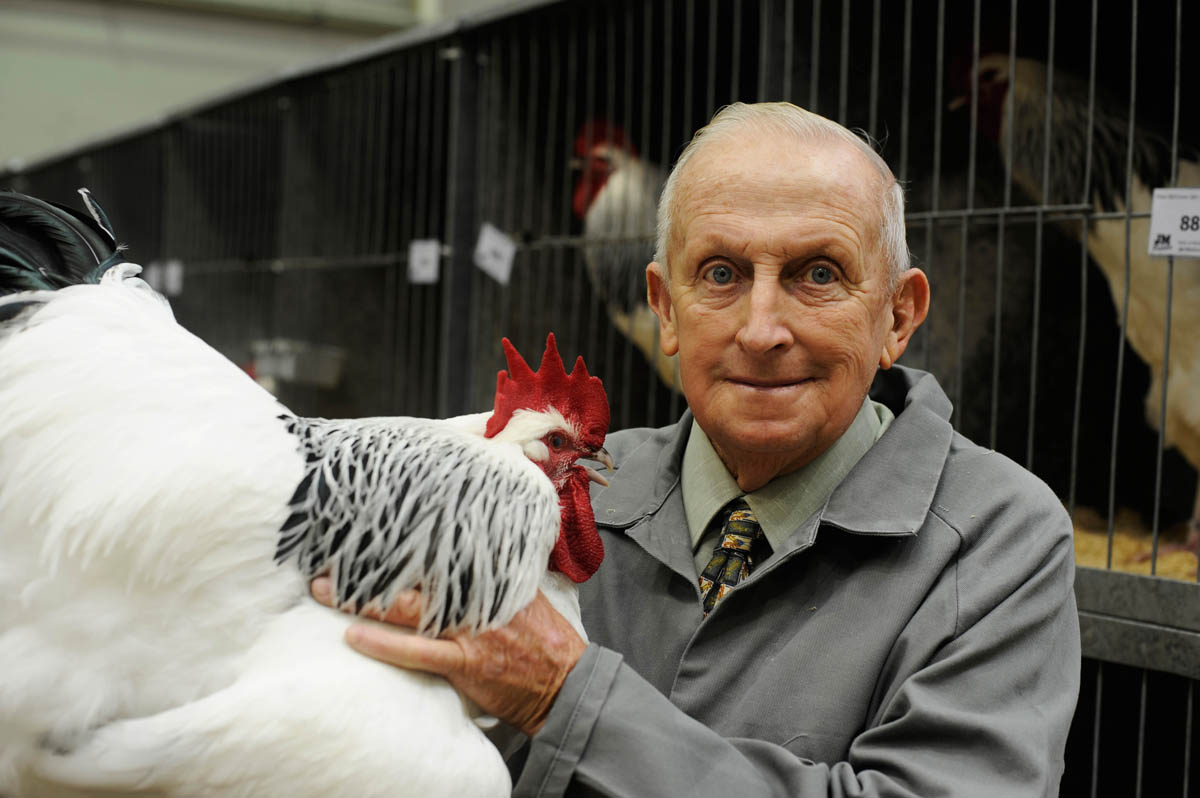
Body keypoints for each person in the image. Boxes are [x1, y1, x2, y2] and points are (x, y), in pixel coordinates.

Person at [312, 101, 1081, 796]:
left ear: (899, 317)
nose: (761, 328)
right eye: (721, 273)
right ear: (664, 309)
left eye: (818, 274)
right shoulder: (563, 491)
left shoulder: (997, 540)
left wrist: (565, 698)